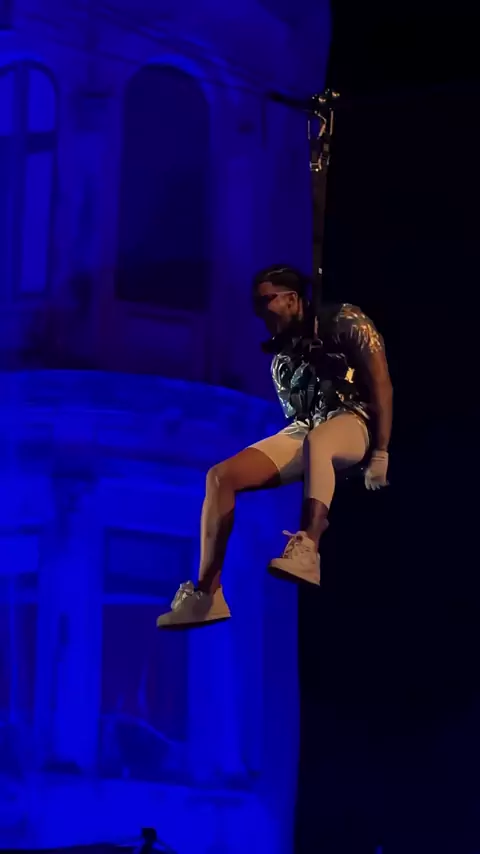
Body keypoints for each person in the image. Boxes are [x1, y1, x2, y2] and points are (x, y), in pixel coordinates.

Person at [157, 265, 393, 629]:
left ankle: (308, 547)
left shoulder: (345, 322)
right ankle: (207, 594)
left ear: (292, 299)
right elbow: (301, 419)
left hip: (352, 420)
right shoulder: (283, 362)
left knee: (320, 440)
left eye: (266, 301)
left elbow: (381, 383)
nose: (260, 312)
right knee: (221, 477)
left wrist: (381, 450)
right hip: (309, 428)